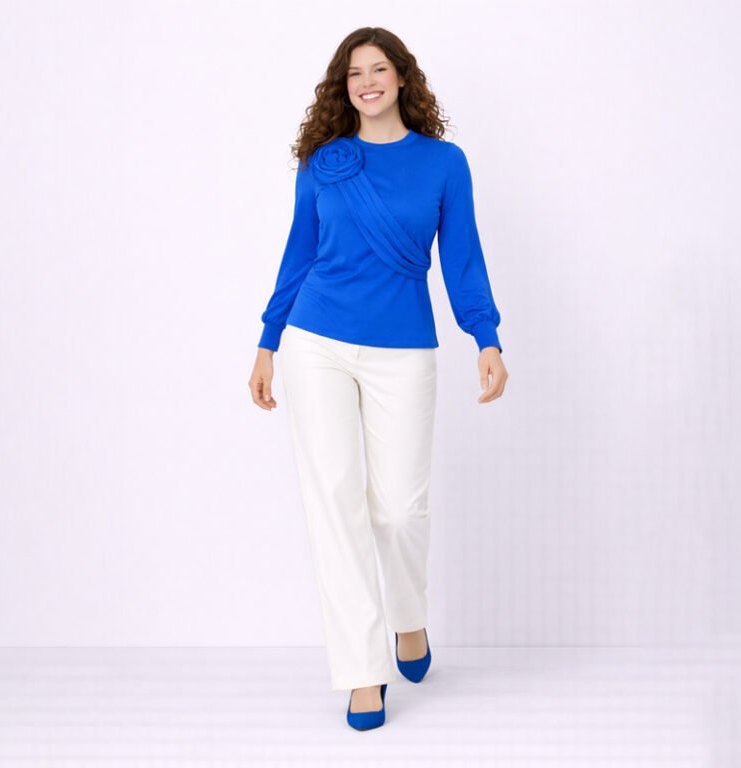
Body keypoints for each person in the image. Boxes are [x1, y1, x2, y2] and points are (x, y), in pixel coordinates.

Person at [248, 27, 508, 731]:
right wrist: (269, 340)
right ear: (344, 86)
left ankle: (409, 616)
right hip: (316, 342)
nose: (367, 82)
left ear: (401, 78)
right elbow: (299, 252)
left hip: (403, 349)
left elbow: (462, 257)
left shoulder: (444, 163)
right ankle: (362, 672)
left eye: (379, 69)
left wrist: (485, 336)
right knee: (334, 503)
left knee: (397, 510)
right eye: (354, 73)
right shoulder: (322, 162)